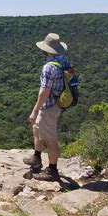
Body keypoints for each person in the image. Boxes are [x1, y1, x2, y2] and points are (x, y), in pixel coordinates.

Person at [23, 33, 71, 181]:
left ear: (46, 49)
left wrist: (35, 110)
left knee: (50, 140)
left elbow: (44, 92)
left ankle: (52, 171)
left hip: (49, 107)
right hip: (56, 104)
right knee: (36, 128)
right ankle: (36, 157)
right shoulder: (63, 62)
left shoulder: (49, 67)